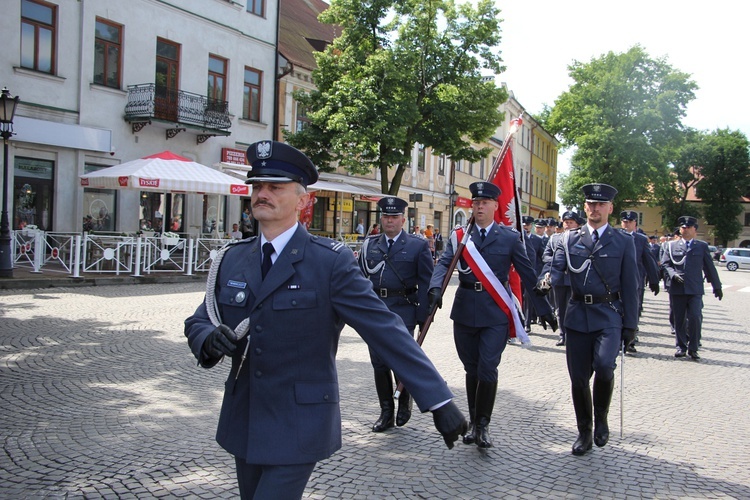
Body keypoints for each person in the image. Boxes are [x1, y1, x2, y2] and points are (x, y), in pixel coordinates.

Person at [184, 140, 467, 499]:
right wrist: (207, 339)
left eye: (275, 187)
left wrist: (438, 398)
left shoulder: (329, 263)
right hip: (246, 414)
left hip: (299, 419)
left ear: (304, 200)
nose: (262, 194)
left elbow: (385, 330)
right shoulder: (232, 259)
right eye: (257, 186)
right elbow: (199, 320)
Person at [429, 182, 557, 449]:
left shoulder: (509, 238)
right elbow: (444, 263)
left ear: (495, 206)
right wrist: (435, 287)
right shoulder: (460, 235)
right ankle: (474, 422)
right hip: (464, 311)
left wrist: (544, 309)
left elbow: (527, 273)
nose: (479, 207)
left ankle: (483, 425)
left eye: (484, 203)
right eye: (476, 203)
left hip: (495, 314)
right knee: (472, 368)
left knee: (488, 367)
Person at [548, 183, 639, 456]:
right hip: (576, 314)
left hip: (608, 314)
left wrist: (631, 325)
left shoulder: (623, 241)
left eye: (601, 204)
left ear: (610, 208)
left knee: (604, 365)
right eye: (591, 204)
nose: (595, 208)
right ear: (585, 206)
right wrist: (544, 283)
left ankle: (601, 417)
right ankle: (584, 431)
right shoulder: (569, 239)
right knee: (578, 379)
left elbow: (631, 285)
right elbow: (555, 271)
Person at [358, 196, 434, 432]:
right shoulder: (370, 245)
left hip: (403, 309)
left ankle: (405, 400)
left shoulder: (417, 245)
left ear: (403, 220)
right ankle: (386, 412)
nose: (389, 221)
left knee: (402, 359)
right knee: (379, 363)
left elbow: (426, 283)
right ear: (381, 219)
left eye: (394, 217)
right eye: (386, 217)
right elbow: (359, 279)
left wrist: (423, 316)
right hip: (376, 310)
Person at [660, 216, 722, 361]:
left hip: (694, 288)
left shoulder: (701, 246)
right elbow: (665, 264)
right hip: (677, 288)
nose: (685, 230)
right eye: (683, 227)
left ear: (695, 229)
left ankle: (693, 347)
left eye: (688, 227)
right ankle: (681, 347)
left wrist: (716, 286)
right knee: (679, 319)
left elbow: (709, 267)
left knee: (695, 317)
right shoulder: (671, 246)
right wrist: (673, 274)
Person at [539, 211, 583, 347]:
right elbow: (545, 255)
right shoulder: (555, 238)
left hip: (575, 280)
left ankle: (573, 335)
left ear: (577, 224)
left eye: (571, 223)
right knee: (560, 308)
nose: (568, 225)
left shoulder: (581, 238)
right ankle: (563, 335)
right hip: (559, 280)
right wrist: (558, 261)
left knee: (574, 309)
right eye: (566, 222)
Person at [619, 210, 660, 353]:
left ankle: (631, 339)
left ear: (635, 223)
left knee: (633, 309)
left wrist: (654, 280)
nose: (626, 224)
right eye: (624, 221)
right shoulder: (615, 236)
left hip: (635, 281)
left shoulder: (641, 239)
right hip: (617, 281)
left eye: (629, 222)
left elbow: (649, 260)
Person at [522, 215, 545, 332]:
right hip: (517, 274)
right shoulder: (515, 237)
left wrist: (541, 274)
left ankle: (527, 323)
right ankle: (519, 321)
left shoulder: (537, 240)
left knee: (528, 298)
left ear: (531, 226)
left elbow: (542, 257)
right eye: (524, 224)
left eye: (528, 225)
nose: (525, 226)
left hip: (531, 274)